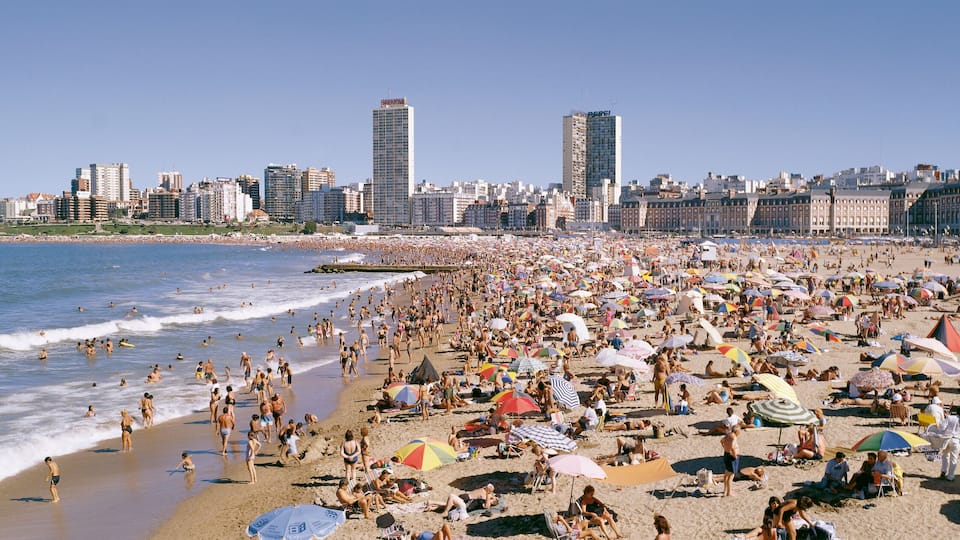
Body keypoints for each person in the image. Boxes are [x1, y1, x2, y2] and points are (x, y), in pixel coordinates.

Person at [721, 425, 740, 497]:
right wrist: (734, 455)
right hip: (731, 456)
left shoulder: (728, 435)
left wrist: (725, 448)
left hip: (726, 454)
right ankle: (729, 492)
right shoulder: (734, 437)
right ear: (737, 431)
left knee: (726, 474)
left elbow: (721, 441)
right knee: (731, 476)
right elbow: (732, 447)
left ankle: (725, 491)